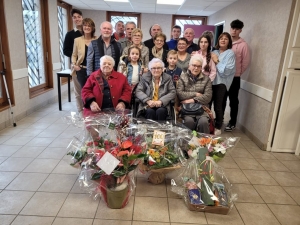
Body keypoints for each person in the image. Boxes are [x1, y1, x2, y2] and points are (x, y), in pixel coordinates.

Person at [225, 19, 250, 132]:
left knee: (233, 101)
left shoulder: (243, 45)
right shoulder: (226, 42)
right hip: (223, 77)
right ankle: (219, 120)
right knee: (221, 100)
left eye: (236, 29)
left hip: (235, 78)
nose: (234, 31)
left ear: (240, 30)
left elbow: (245, 62)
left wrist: (237, 73)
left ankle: (232, 122)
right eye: (232, 28)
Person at [176, 55, 212, 134]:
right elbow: (180, 94)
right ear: (189, 66)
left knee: (204, 122)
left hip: (202, 108)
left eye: (199, 66)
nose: (196, 68)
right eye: (194, 65)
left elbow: (208, 96)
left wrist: (192, 100)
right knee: (189, 121)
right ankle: (186, 144)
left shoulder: (206, 79)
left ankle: (204, 143)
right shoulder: (183, 77)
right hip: (186, 109)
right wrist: (196, 94)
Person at [211, 32, 236, 135]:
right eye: (221, 38)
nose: (223, 40)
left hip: (221, 83)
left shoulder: (230, 53)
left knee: (218, 106)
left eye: (226, 39)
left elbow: (226, 71)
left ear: (229, 41)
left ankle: (218, 126)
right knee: (207, 105)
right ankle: (209, 125)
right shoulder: (214, 51)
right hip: (211, 81)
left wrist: (216, 62)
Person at [63, 8, 83, 115]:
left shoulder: (87, 32)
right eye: (75, 17)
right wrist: (77, 56)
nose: (77, 19)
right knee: (78, 90)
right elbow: (66, 51)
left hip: (87, 66)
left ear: (82, 18)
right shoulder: (70, 34)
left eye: (79, 17)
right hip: (76, 65)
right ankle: (81, 111)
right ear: (72, 19)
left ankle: (88, 109)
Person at [72, 18, 97, 88]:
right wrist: (74, 65)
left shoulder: (97, 40)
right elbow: (74, 55)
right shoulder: (77, 40)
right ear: (82, 27)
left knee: (94, 90)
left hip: (94, 69)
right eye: (85, 25)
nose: (87, 27)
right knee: (84, 91)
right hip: (81, 70)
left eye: (89, 26)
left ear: (92, 28)